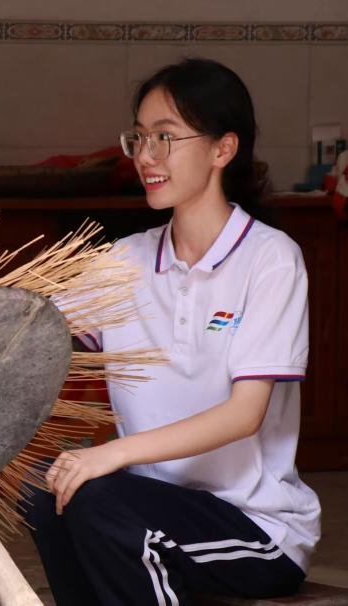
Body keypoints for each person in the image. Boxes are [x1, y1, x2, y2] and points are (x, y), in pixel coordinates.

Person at [26, 58, 320, 604]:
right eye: (138, 138)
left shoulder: (271, 259)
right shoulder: (124, 261)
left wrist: (116, 453)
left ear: (222, 149)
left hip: (255, 528)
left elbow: (244, 413)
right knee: (51, 489)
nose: (145, 157)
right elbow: (22, 330)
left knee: (93, 494)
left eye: (165, 138)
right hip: (146, 502)